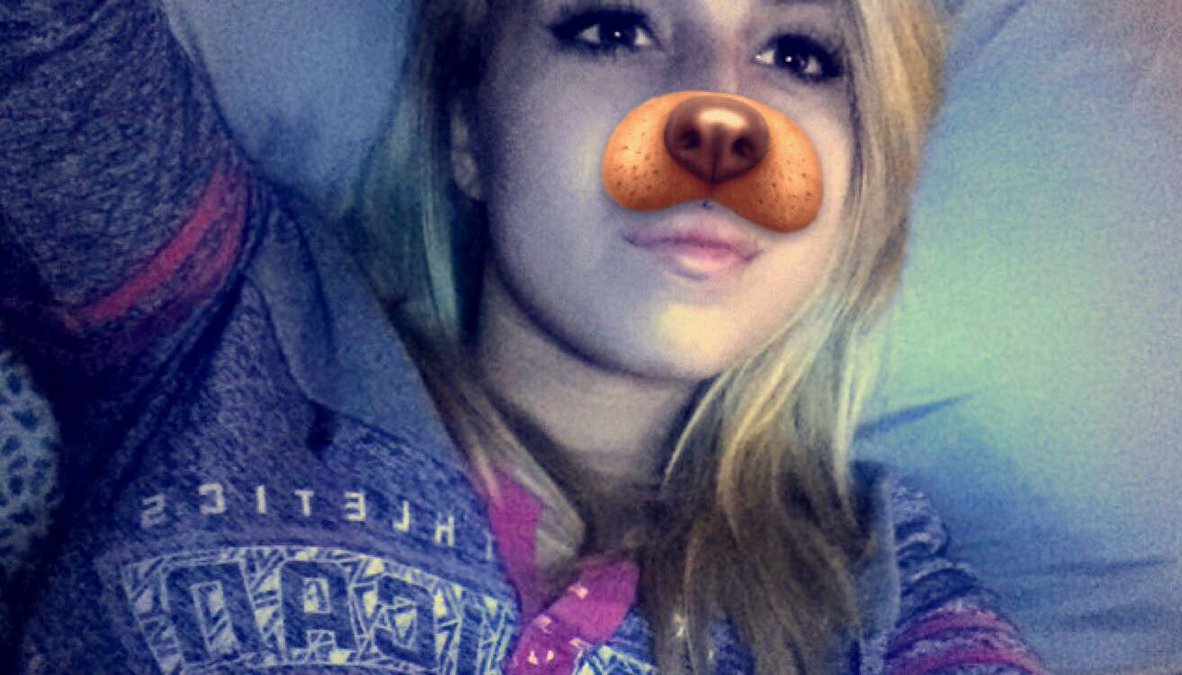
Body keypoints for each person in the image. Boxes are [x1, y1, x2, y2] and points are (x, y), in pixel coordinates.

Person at [0, 0, 1043, 672]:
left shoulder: (873, 582)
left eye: (798, 53)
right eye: (612, 27)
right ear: (469, 131)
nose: (718, 116)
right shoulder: (226, 315)